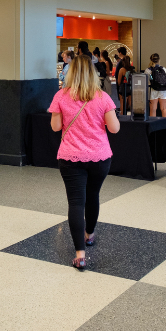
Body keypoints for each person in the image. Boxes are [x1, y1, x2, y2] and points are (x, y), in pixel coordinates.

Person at [49, 55, 120, 271]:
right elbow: (114, 128)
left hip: (70, 157)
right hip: (100, 157)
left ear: (70, 72)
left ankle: (80, 254)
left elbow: (55, 127)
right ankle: (89, 234)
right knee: (93, 196)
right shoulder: (103, 97)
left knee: (76, 202)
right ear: (93, 73)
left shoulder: (60, 96)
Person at [144, 53, 166, 118]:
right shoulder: (164, 69)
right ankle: (165, 126)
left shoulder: (148, 71)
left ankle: (153, 126)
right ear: (159, 60)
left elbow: (146, 82)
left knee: (153, 109)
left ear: (150, 60)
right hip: (163, 90)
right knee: (164, 108)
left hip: (152, 90)